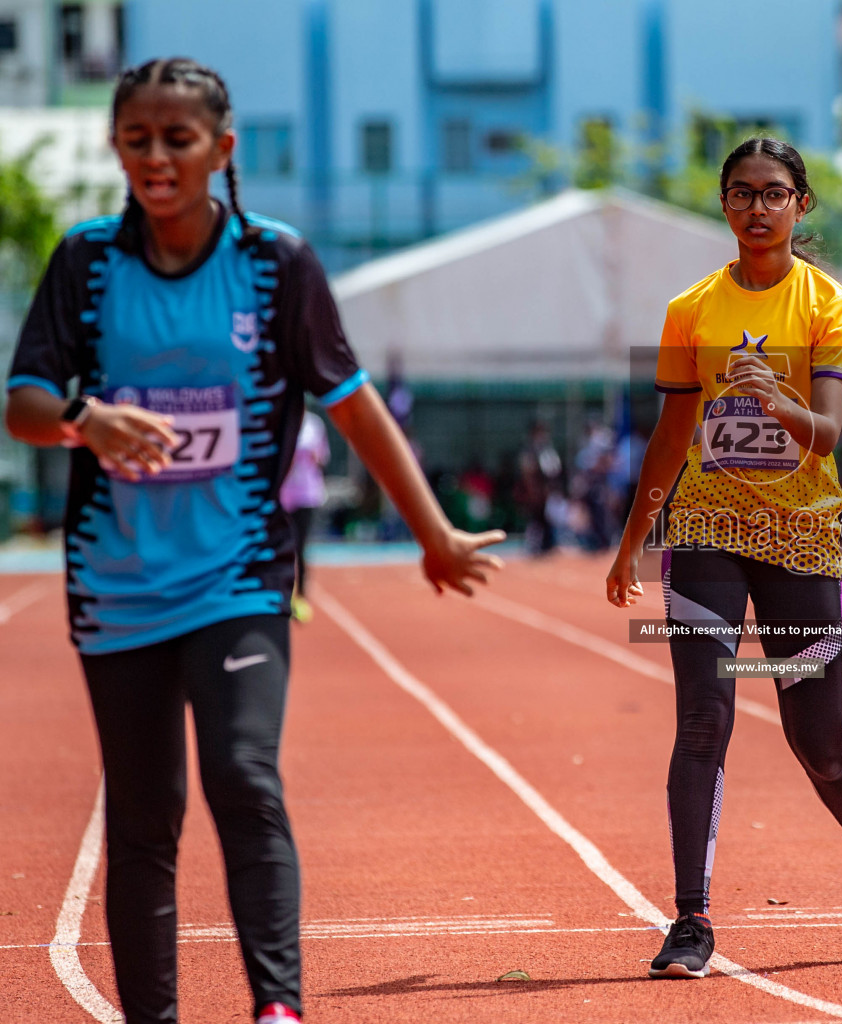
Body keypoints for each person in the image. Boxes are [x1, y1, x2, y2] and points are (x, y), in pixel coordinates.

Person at [3, 58, 505, 1024]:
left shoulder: (277, 265)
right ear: (117, 147)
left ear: (221, 150)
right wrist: (85, 419)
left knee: (242, 772)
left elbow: (354, 409)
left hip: (238, 574)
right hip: (116, 585)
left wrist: (434, 535)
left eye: (177, 139)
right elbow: (22, 401)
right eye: (138, 138)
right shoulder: (87, 263)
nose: (156, 157)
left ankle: (279, 1010)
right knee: (145, 816)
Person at [605, 137, 842, 979]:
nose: (759, 207)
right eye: (743, 193)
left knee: (819, 744)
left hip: (799, 539)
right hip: (708, 533)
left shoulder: (830, 305)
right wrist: (633, 540)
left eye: (776, 193)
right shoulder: (691, 310)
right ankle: (692, 920)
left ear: (802, 205)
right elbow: (671, 435)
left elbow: (827, 434)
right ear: (724, 204)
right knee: (702, 722)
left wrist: (774, 396)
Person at [279, 409, 328, 623]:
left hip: (307, 495)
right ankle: (281, 595)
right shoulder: (281, 419)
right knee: (282, 546)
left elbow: (322, 456)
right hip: (282, 494)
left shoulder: (314, 425)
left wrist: (311, 457)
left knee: (301, 547)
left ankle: (301, 598)